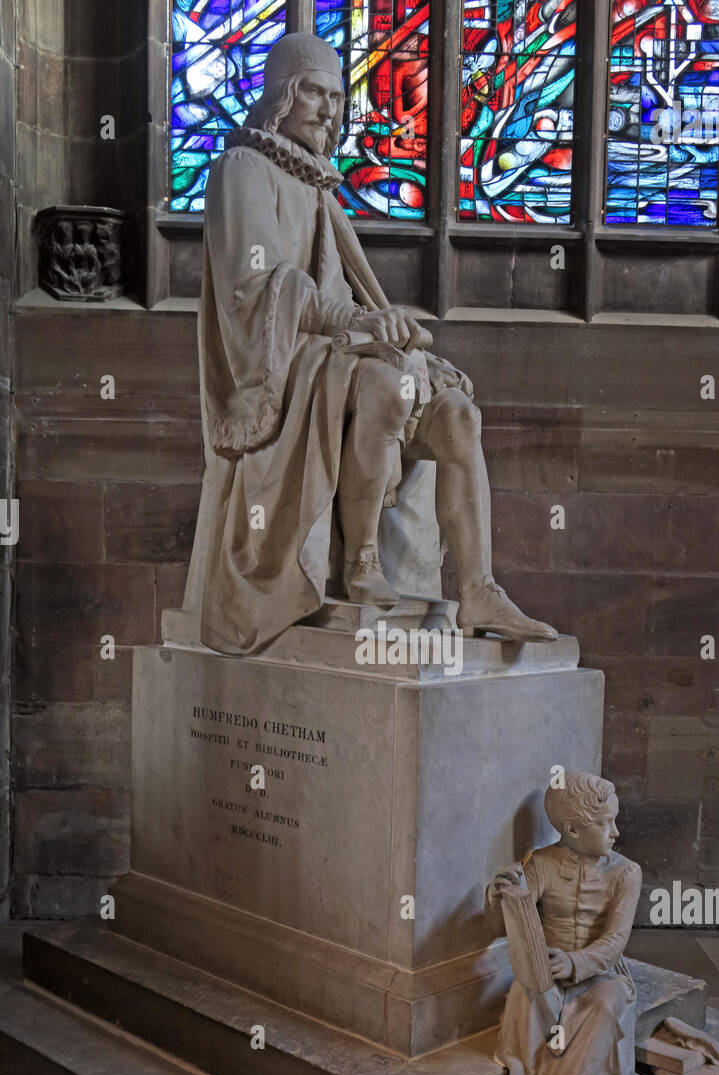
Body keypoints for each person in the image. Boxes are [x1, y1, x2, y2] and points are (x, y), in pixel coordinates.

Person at [191, 31, 558, 655]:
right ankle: (361, 561)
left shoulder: (319, 187)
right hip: (292, 365)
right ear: (280, 95)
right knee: (388, 384)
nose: (330, 110)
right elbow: (255, 290)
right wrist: (357, 326)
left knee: (456, 415)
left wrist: (393, 330)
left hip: (342, 353)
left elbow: (360, 297)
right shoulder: (243, 169)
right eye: (313, 93)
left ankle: (478, 586)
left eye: (337, 97)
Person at [487, 773, 646, 1075]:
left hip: (602, 975)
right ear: (572, 828)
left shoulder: (626, 873)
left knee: (607, 1004)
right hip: (547, 973)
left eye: (614, 820)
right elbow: (501, 927)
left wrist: (575, 963)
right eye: (605, 823)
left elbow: (614, 942)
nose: (616, 832)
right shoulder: (540, 864)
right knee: (525, 997)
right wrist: (500, 895)